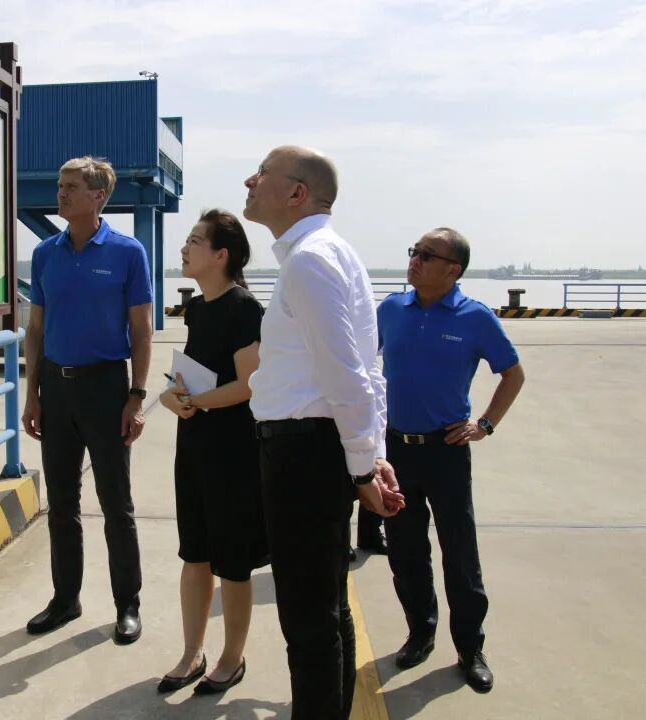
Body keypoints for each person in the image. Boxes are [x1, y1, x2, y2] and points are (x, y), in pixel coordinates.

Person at [244, 145, 404, 719]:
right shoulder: (332, 254)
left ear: (297, 193)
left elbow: (347, 373)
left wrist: (364, 466)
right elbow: (367, 368)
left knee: (309, 622)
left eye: (262, 173)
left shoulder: (310, 261)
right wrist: (371, 454)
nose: (249, 181)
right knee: (327, 610)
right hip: (315, 448)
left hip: (303, 454)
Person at [377, 228, 525, 693]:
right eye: (414, 252)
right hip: (396, 451)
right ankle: (420, 633)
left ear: (453, 269)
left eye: (427, 255)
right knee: (405, 552)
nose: (415, 260)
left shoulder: (474, 317)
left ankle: (470, 648)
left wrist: (485, 424)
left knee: (459, 555)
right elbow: (358, 363)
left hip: (446, 452)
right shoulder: (390, 310)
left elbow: (513, 374)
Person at [22, 157, 153, 644]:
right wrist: (32, 394)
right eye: (60, 185)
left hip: (106, 388)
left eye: (71, 186)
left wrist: (136, 395)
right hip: (56, 389)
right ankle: (65, 599)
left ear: (99, 196)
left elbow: (141, 329)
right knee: (61, 504)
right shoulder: (45, 254)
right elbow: (36, 329)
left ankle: (127, 603)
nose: (61, 193)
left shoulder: (127, 253)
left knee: (116, 504)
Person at [156, 210, 268, 695]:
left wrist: (198, 402)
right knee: (195, 552)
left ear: (221, 255)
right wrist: (171, 396)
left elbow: (249, 385)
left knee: (232, 560)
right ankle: (191, 653)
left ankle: (231, 657)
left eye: (195, 241)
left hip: (234, 450)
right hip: (195, 444)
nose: (184, 249)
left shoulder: (243, 307)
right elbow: (191, 375)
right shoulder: (198, 309)